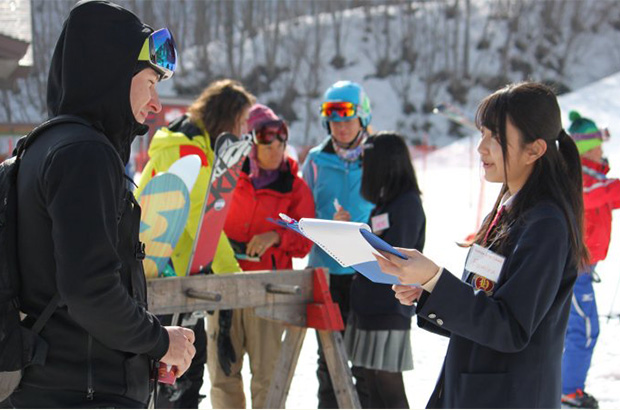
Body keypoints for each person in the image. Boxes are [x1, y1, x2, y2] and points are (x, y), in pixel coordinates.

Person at [12, 1, 196, 408]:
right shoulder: (85, 154)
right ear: (113, 74)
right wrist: (160, 340)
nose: (156, 104)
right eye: (150, 82)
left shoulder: (41, 149)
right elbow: (90, 290)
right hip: (83, 391)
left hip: (44, 385)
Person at [380, 82, 588, 408]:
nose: (481, 148)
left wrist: (436, 278)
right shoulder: (510, 207)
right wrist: (430, 291)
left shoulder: (546, 224)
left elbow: (510, 327)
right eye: (482, 134)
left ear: (534, 150)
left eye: (495, 137)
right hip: (477, 388)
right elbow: (485, 301)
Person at [136, 79, 255, 408]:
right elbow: (204, 219)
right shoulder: (186, 148)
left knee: (187, 371)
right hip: (162, 274)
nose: (243, 129)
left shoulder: (196, 145)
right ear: (227, 117)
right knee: (176, 381)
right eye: (241, 121)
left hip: (183, 276)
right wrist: (232, 275)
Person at [209, 104, 315, 408]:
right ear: (251, 141)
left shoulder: (294, 187)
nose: (276, 146)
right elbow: (206, 222)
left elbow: (306, 236)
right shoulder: (228, 178)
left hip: (268, 292)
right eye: (267, 139)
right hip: (224, 289)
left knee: (267, 377)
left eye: (281, 139)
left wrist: (277, 235)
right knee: (222, 375)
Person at [302, 80, 374, 408]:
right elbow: (302, 213)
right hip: (326, 272)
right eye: (334, 120)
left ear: (363, 118)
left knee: (365, 359)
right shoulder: (316, 161)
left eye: (348, 119)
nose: (341, 127)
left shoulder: (377, 157)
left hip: (367, 271)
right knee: (328, 358)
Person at [344, 131, 425, 409]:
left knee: (388, 389)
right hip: (370, 306)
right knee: (371, 386)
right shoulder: (386, 202)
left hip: (389, 308)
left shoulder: (407, 204)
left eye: (367, 162)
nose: (364, 169)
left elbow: (395, 258)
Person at [561, 111, 620, 409]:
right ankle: (567, 391)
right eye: (597, 143)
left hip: (583, 269)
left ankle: (566, 387)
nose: (602, 148)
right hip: (573, 269)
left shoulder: (596, 177)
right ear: (586, 147)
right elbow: (599, 194)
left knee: (578, 329)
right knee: (583, 331)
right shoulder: (579, 177)